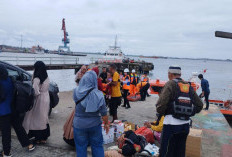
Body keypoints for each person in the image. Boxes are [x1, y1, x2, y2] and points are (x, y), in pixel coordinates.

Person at [156, 66, 203, 157]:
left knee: (166, 152)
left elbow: (160, 105)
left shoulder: (170, 84)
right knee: (180, 152)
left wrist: (165, 112)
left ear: (170, 74)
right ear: (180, 75)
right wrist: (189, 112)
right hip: (185, 125)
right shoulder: (188, 86)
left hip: (170, 125)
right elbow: (199, 105)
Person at [73, 71, 109, 157]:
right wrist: (106, 123)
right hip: (95, 125)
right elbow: (104, 112)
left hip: (79, 125)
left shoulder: (76, 91)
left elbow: (76, 102)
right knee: (97, 146)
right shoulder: (99, 95)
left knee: (81, 147)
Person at [23, 61, 50, 144]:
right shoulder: (46, 76)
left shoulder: (36, 78)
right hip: (46, 97)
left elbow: (35, 92)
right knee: (43, 117)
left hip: (39, 99)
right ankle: (44, 137)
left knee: (36, 118)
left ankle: (38, 138)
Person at [0, 65, 14, 157]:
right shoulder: (10, 79)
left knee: (4, 133)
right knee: (6, 133)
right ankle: (7, 152)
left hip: (1, 110)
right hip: (8, 110)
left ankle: (6, 153)